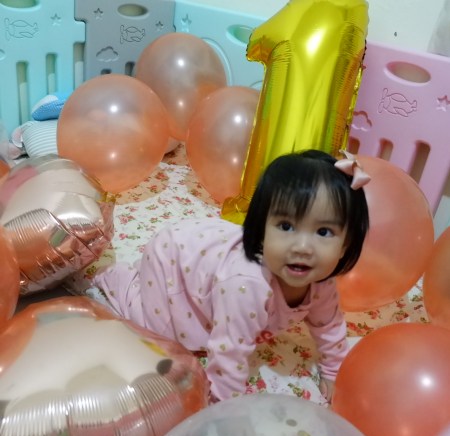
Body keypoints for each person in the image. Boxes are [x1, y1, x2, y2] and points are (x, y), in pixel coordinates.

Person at [92, 149, 370, 403]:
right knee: (157, 335)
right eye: (286, 226)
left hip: (205, 256)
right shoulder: (247, 285)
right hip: (173, 258)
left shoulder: (321, 281)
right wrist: (223, 411)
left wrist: (334, 371)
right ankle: (119, 279)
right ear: (261, 229)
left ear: (346, 244)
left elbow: (329, 325)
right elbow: (229, 354)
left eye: (323, 232)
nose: (302, 247)